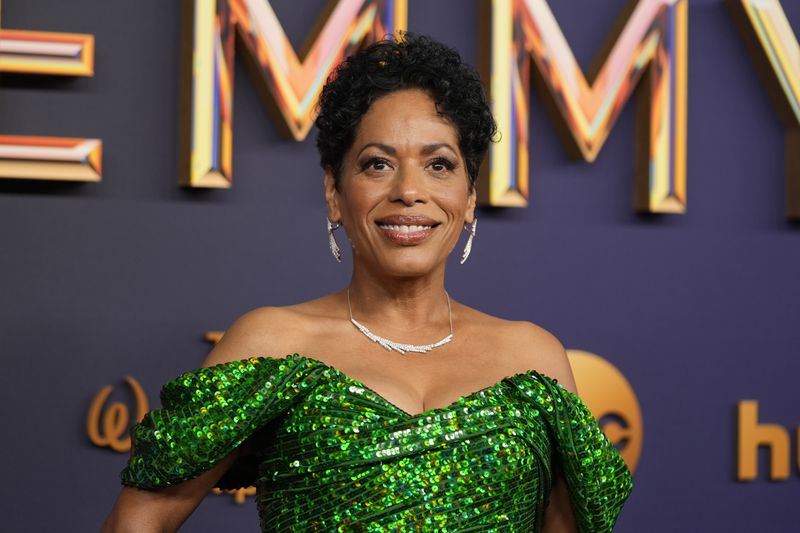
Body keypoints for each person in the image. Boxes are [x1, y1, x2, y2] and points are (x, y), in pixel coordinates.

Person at [102, 33, 632, 532]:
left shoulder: (532, 360)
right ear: (334, 191)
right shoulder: (273, 346)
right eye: (378, 164)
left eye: (439, 165)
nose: (409, 191)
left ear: (469, 198)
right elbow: (139, 519)